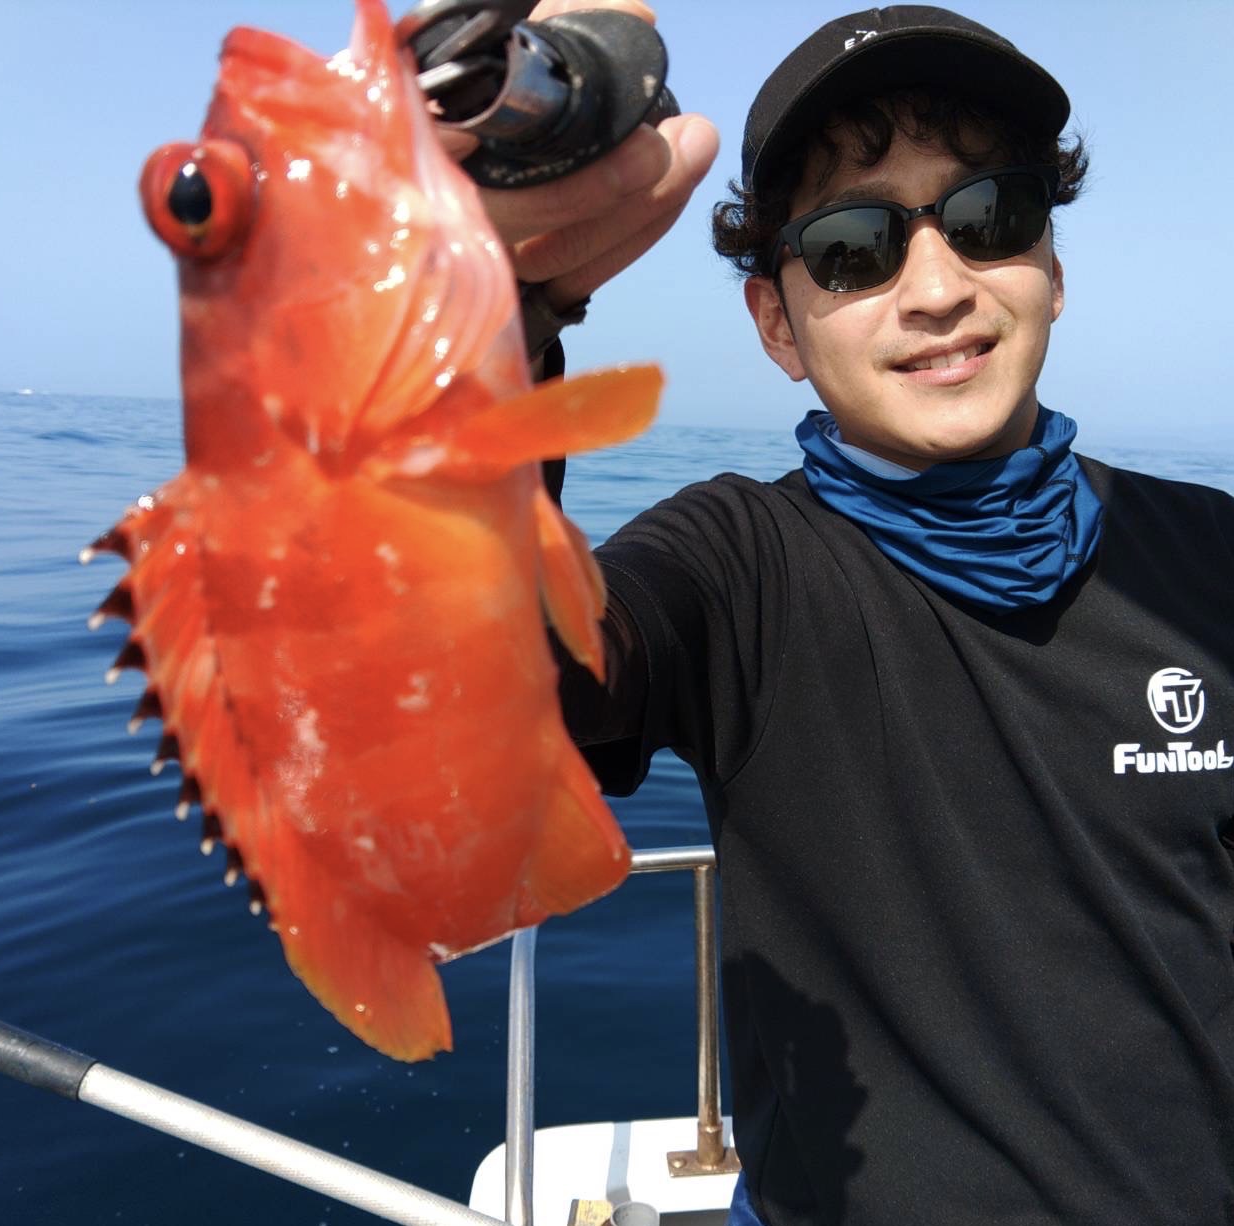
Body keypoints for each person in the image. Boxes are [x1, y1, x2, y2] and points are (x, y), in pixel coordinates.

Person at [471, 4, 1234, 1222]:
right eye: (851, 246)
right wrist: (486, 317)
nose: (937, 289)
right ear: (776, 323)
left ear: (1050, 268)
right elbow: (503, 674)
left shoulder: (1209, 555)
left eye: (991, 218)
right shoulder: (736, 566)